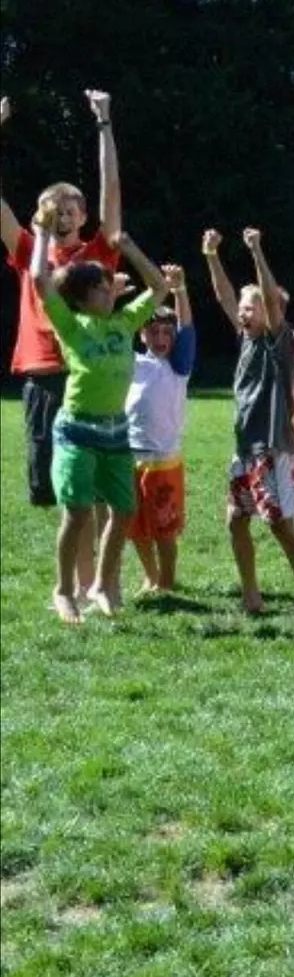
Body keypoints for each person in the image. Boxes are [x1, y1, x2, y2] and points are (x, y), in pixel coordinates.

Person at [29, 210, 168, 620]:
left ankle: (103, 585)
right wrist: (39, 233)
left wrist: (128, 248)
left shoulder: (125, 323)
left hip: (115, 434)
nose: (111, 293)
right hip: (76, 431)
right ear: (82, 296)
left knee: (124, 510)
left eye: (110, 287)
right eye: (102, 290)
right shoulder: (71, 326)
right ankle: (64, 591)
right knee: (77, 513)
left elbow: (159, 286)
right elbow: (40, 281)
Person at [1, 91, 123, 519]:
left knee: (99, 482)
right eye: (54, 210)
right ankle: (74, 572)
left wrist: (104, 123)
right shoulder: (28, 251)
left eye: (71, 210)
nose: (63, 216)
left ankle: (96, 574)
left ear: (83, 216)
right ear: (40, 216)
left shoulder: (99, 252)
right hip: (43, 376)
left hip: (88, 373)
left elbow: (111, 194)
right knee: (52, 486)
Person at [203, 226, 294, 614]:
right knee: (236, 520)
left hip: (272, 448)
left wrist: (256, 250)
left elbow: (270, 298)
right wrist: (212, 256)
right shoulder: (247, 340)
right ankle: (251, 595)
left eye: (250, 307)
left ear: (271, 313)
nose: (242, 311)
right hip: (245, 449)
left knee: (281, 526)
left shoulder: (279, 342)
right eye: (243, 307)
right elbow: (223, 296)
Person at [125, 266, 197, 594]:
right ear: (142, 335)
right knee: (134, 526)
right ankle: (150, 575)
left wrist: (179, 291)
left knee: (164, 528)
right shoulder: (131, 364)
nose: (161, 339)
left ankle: (166, 582)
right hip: (129, 458)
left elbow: (188, 328)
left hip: (163, 460)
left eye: (167, 333)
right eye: (154, 332)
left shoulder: (178, 366)